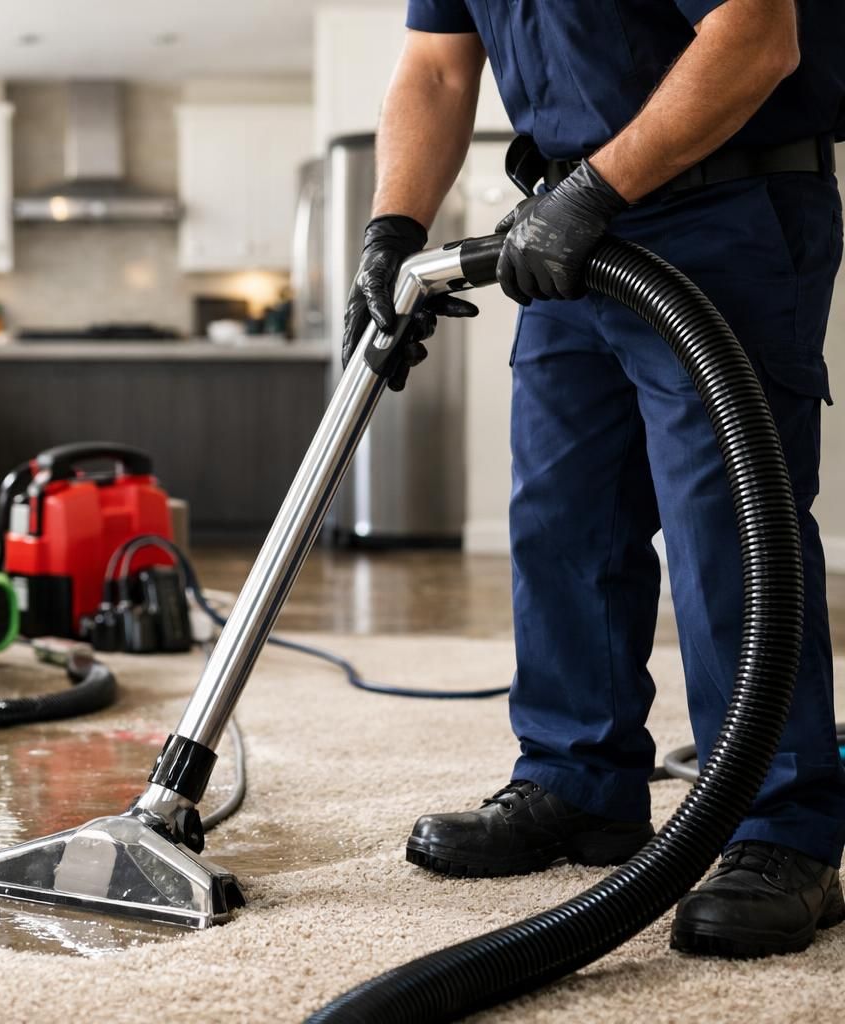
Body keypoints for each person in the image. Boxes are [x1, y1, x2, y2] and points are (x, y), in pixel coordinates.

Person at [344, 0, 845, 958]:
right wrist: (391, 231)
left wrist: (593, 193)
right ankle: (577, 784)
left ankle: (783, 829)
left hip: (718, 211)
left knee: (729, 531)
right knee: (561, 519)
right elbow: (439, 72)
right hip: (566, 234)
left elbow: (755, 35)